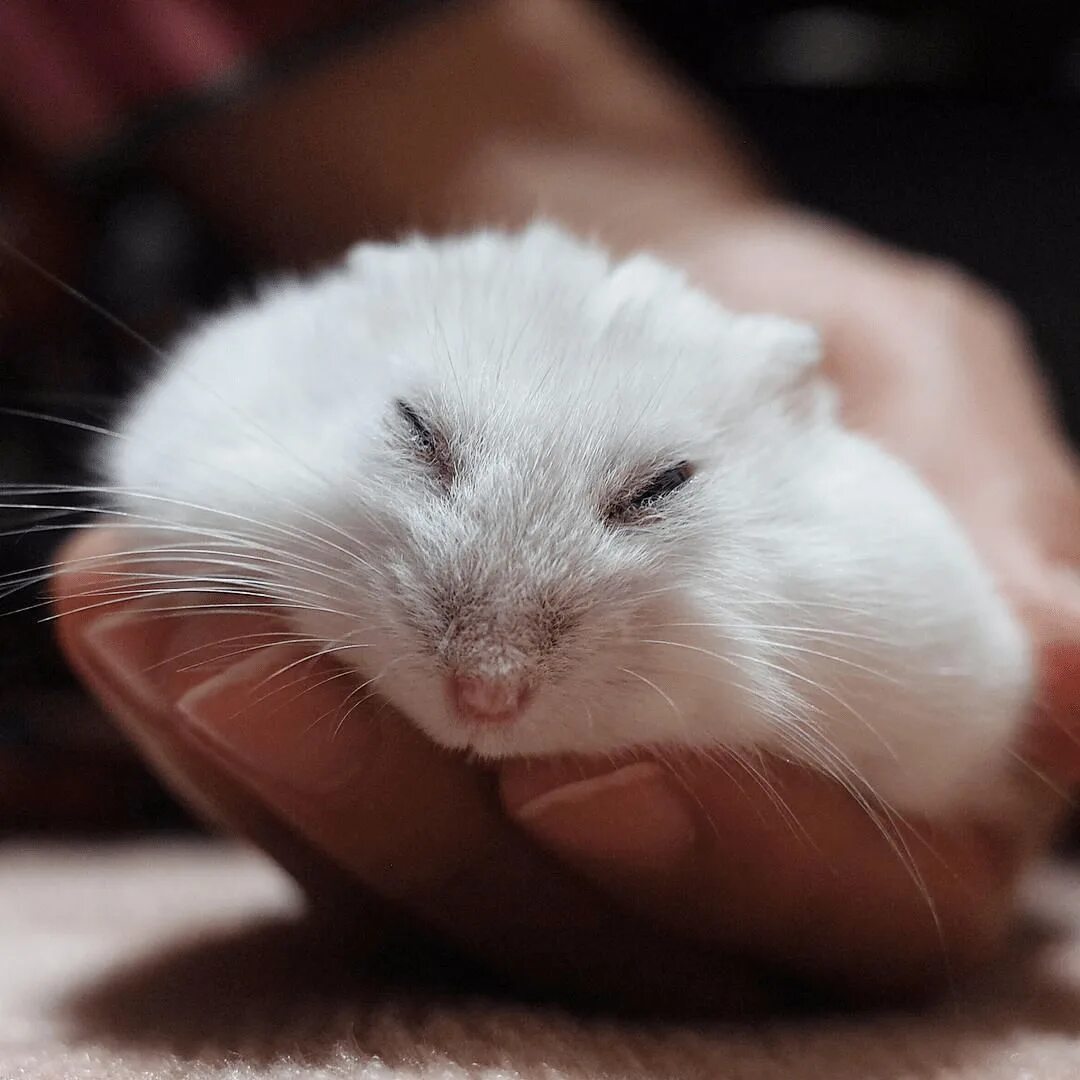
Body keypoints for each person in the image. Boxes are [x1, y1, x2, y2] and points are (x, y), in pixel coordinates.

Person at [8, 0, 1080, 1008]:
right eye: (422, 450)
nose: (490, 674)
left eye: (656, 496)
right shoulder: (313, 353)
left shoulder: (818, 466)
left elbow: (966, 701)